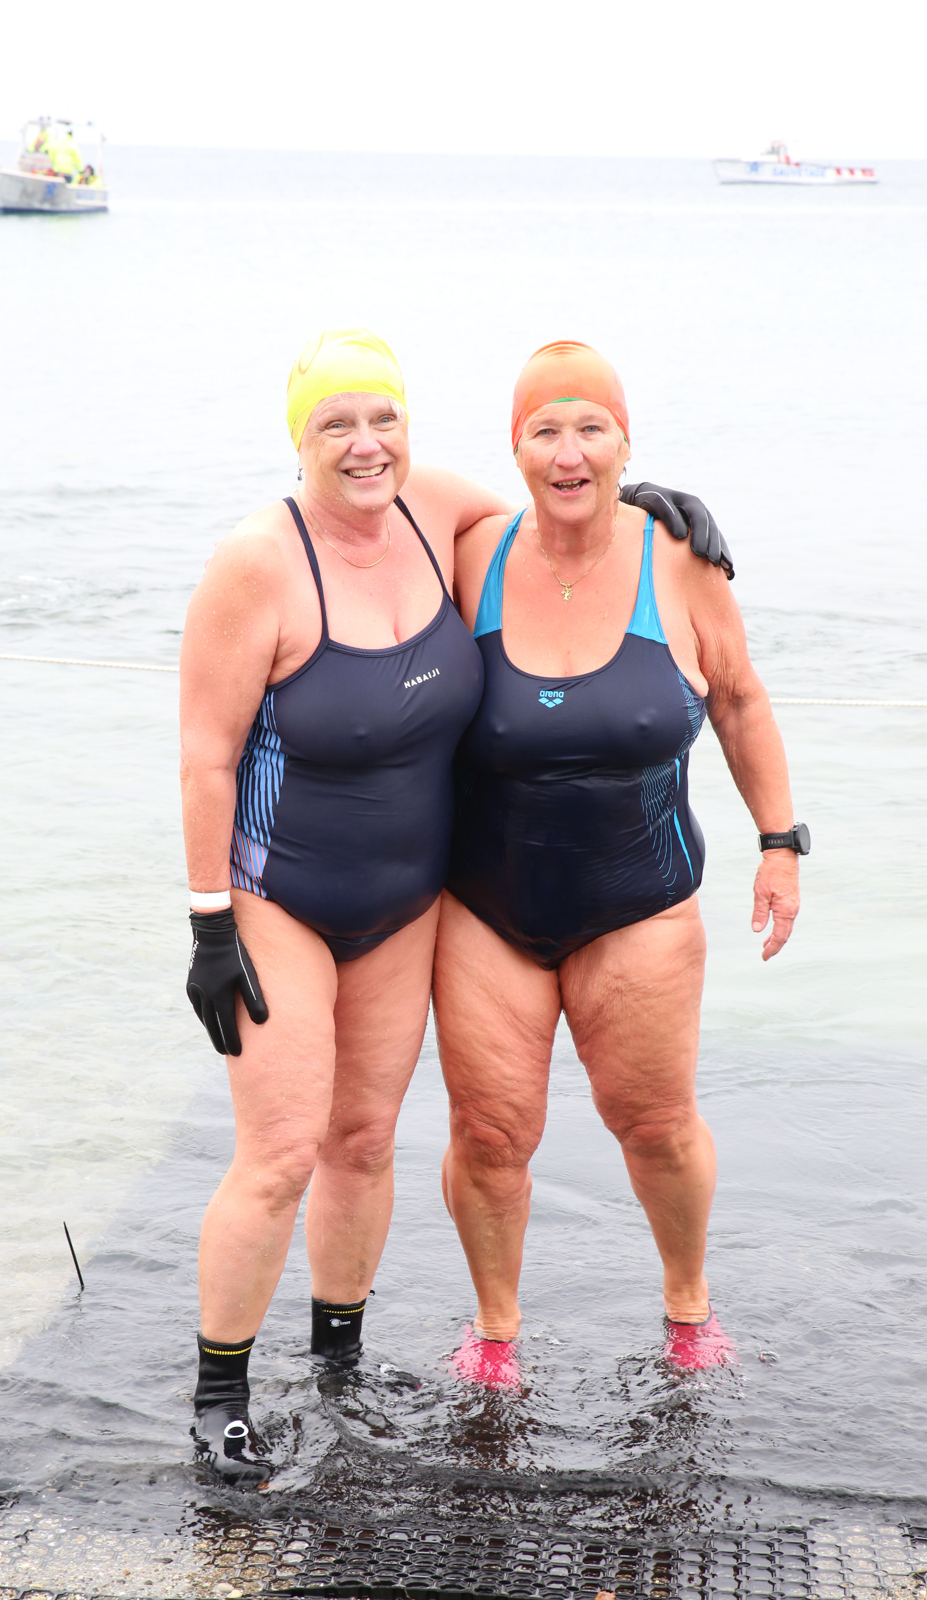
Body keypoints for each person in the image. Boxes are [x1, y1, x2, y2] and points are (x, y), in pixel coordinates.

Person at [179, 328, 728, 1478]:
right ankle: (219, 1394)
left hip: (406, 902)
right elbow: (205, 755)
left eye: (382, 417)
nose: (363, 443)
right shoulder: (257, 560)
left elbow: (555, 505)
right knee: (280, 1150)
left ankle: (338, 1362)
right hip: (278, 894)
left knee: (363, 1141)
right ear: (297, 438)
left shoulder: (433, 510)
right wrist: (208, 920)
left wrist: (648, 503)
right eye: (334, 422)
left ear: (407, 428)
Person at [433, 341, 807, 1383]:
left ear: (626, 442)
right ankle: (493, 1334)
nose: (569, 454)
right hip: (484, 907)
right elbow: (368, 500)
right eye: (544, 432)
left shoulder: (678, 561)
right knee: (489, 1133)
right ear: (513, 449)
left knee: (654, 1126)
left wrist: (779, 845)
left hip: (639, 902)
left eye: (590, 429)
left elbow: (739, 699)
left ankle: (687, 1307)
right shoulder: (469, 555)